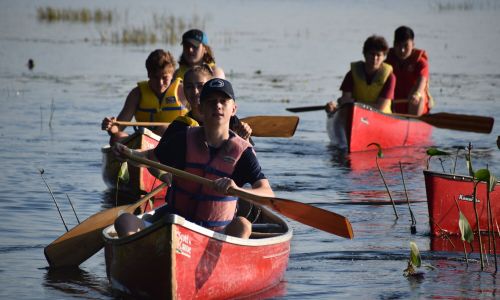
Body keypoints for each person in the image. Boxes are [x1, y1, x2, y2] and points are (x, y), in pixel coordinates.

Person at [113, 78, 273, 239]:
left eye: (223, 101)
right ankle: (144, 255)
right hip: (175, 227)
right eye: (211, 101)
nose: (217, 105)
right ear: (200, 108)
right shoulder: (183, 139)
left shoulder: (242, 152)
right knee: (124, 221)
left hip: (216, 234)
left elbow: (268, 194)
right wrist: (127, 154)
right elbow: (148, 157)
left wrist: (237, 190)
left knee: (243, 225)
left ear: (233, 109)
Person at [101, 49, 188, 144]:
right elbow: (118, 127)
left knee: (164, 129)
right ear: (148, 74)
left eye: (164, 78)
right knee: (117, 137)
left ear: (172, 75)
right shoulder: (136, 94)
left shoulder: (184, 91)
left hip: (176, 142)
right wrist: (110, 127)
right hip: (144, 143)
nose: (160, 83)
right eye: (155, 77)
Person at [164, 64, 252, 143]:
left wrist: (245, 137)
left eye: (200, 86)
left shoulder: (230, 120)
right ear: (184, 91)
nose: (195, 91)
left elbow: (249, 154)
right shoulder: (179, 125)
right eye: (189, 87)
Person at [325, 35, 396, 114]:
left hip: (381, 116)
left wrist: (354, 102)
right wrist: (334, 106)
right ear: (364, 54)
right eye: (372, 54)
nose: (375, 58)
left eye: (378, 55)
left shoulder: (390, 77)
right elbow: (345, 100)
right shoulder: (352, 73)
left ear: (384, 57)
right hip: (356, 114)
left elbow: (380, 107)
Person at [385, 26, 433, 116]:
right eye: (398, 45)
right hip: (394, 105)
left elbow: (421, 82)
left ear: (413, 45)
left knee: (419, 95)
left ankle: (413, 120)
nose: (402, 50)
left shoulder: (421, 63)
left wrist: (417, 94)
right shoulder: (388, 62)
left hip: (415, 104)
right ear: (394, 45)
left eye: (406, 46)